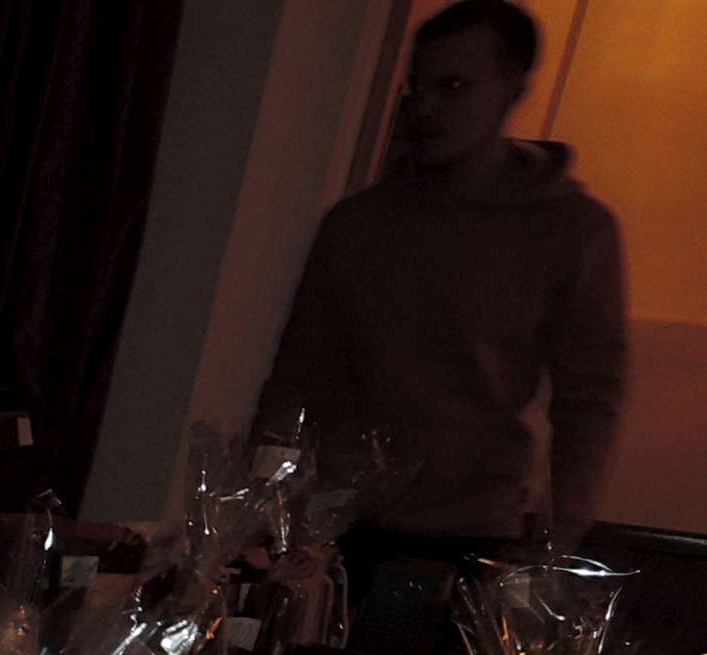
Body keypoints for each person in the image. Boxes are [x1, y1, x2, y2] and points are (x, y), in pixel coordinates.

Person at [257, 0, 629, 555]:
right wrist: (266, 505)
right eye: (418, 88)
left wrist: (560, 534)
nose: (426, 108)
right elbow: (298, 377)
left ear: (512, 88)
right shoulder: (358, 225)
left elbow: (589, 397)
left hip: (472, 530)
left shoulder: (571, 230)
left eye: (454, 87)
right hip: (336, 527)